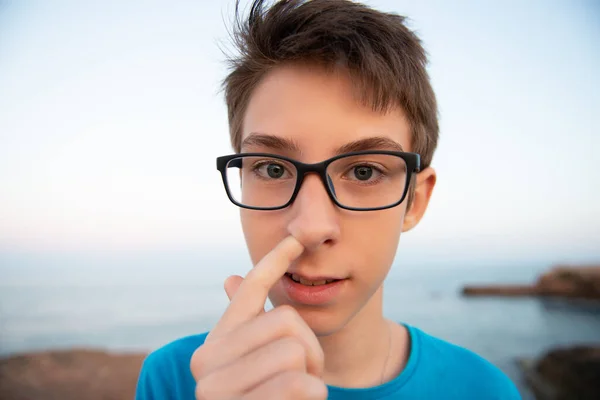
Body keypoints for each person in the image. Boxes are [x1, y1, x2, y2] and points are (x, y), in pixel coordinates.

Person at [135, 0, 522, 398]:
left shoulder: (484, 390)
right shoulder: (175, 380)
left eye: (364, 172)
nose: (311, 227)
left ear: (416, 200)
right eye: (272, 169)